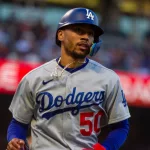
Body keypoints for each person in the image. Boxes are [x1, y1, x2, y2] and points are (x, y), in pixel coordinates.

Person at [6, 7, 130, 150]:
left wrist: (105, 148)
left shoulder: (108, 79)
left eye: (90, 34)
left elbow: (121, 126)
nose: (86, 37)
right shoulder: (34, 78)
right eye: (79, 31)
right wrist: (15, 140)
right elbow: (18, 123)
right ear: (60, 35)